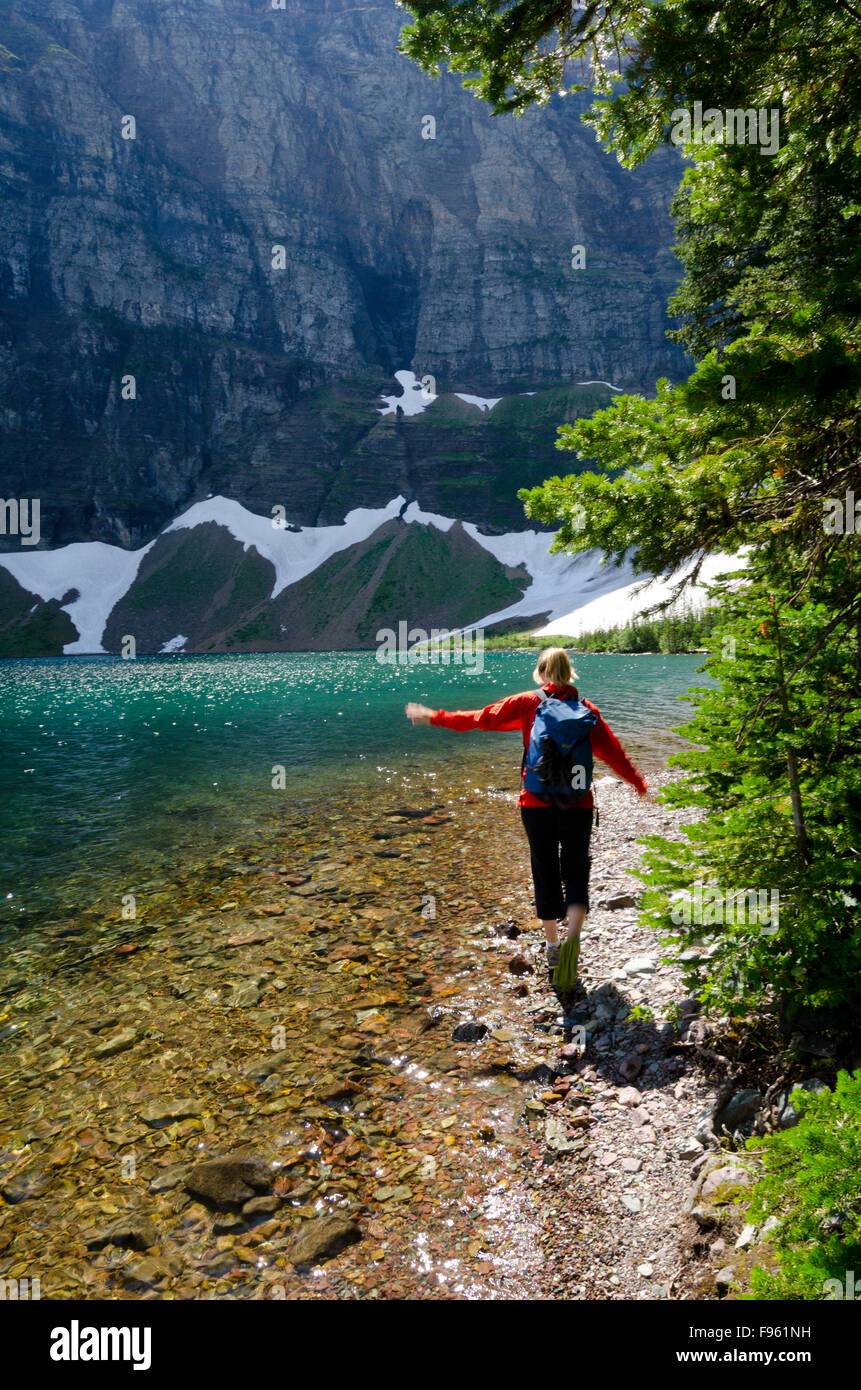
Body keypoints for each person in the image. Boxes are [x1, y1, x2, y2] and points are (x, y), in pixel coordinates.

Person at [405, 646, 648, 1002]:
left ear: (540, 672)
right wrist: (638, 783)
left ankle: (552, 946)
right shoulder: (588, 712)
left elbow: (480, 718)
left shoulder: (526, 703)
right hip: (578, 804)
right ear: (570, 673)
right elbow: (613, 752)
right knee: (577, 871)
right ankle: (573, 941)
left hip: (535, 803)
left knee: (545, 870)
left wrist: (435, 716)